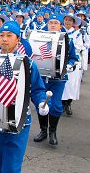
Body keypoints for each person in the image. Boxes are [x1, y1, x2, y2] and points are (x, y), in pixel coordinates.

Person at [0, 21, 48, 173]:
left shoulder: (28, 64)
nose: (4, 39)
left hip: (17, 123)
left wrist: (42, 102)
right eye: (2, 35)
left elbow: (38, 90)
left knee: (10, 169)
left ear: (18, 40)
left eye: (9, 36)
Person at [33, 13, 78, 146]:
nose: (52, 25)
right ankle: (43, 130)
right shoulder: (40, 38)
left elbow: (73, 57)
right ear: (47, 25)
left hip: (58, 79)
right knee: (41, 104)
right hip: (41, 77)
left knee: (56, 105)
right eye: (50, 22)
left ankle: (53, 132)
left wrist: (70, 65)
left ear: (60, 26)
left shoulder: (66, 39)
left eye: (55, 23)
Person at [61, 14, 84, 116]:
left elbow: (80, 46)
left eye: (70, 20)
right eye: (66, 20)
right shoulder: (60, 33)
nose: (67, 22)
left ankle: (68, 104)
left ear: (73, 22)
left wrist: (70, 48)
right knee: (61, 84)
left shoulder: (77, 34)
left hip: (72, 62)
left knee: (71, 85)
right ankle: (61, 104)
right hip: (61, 61)